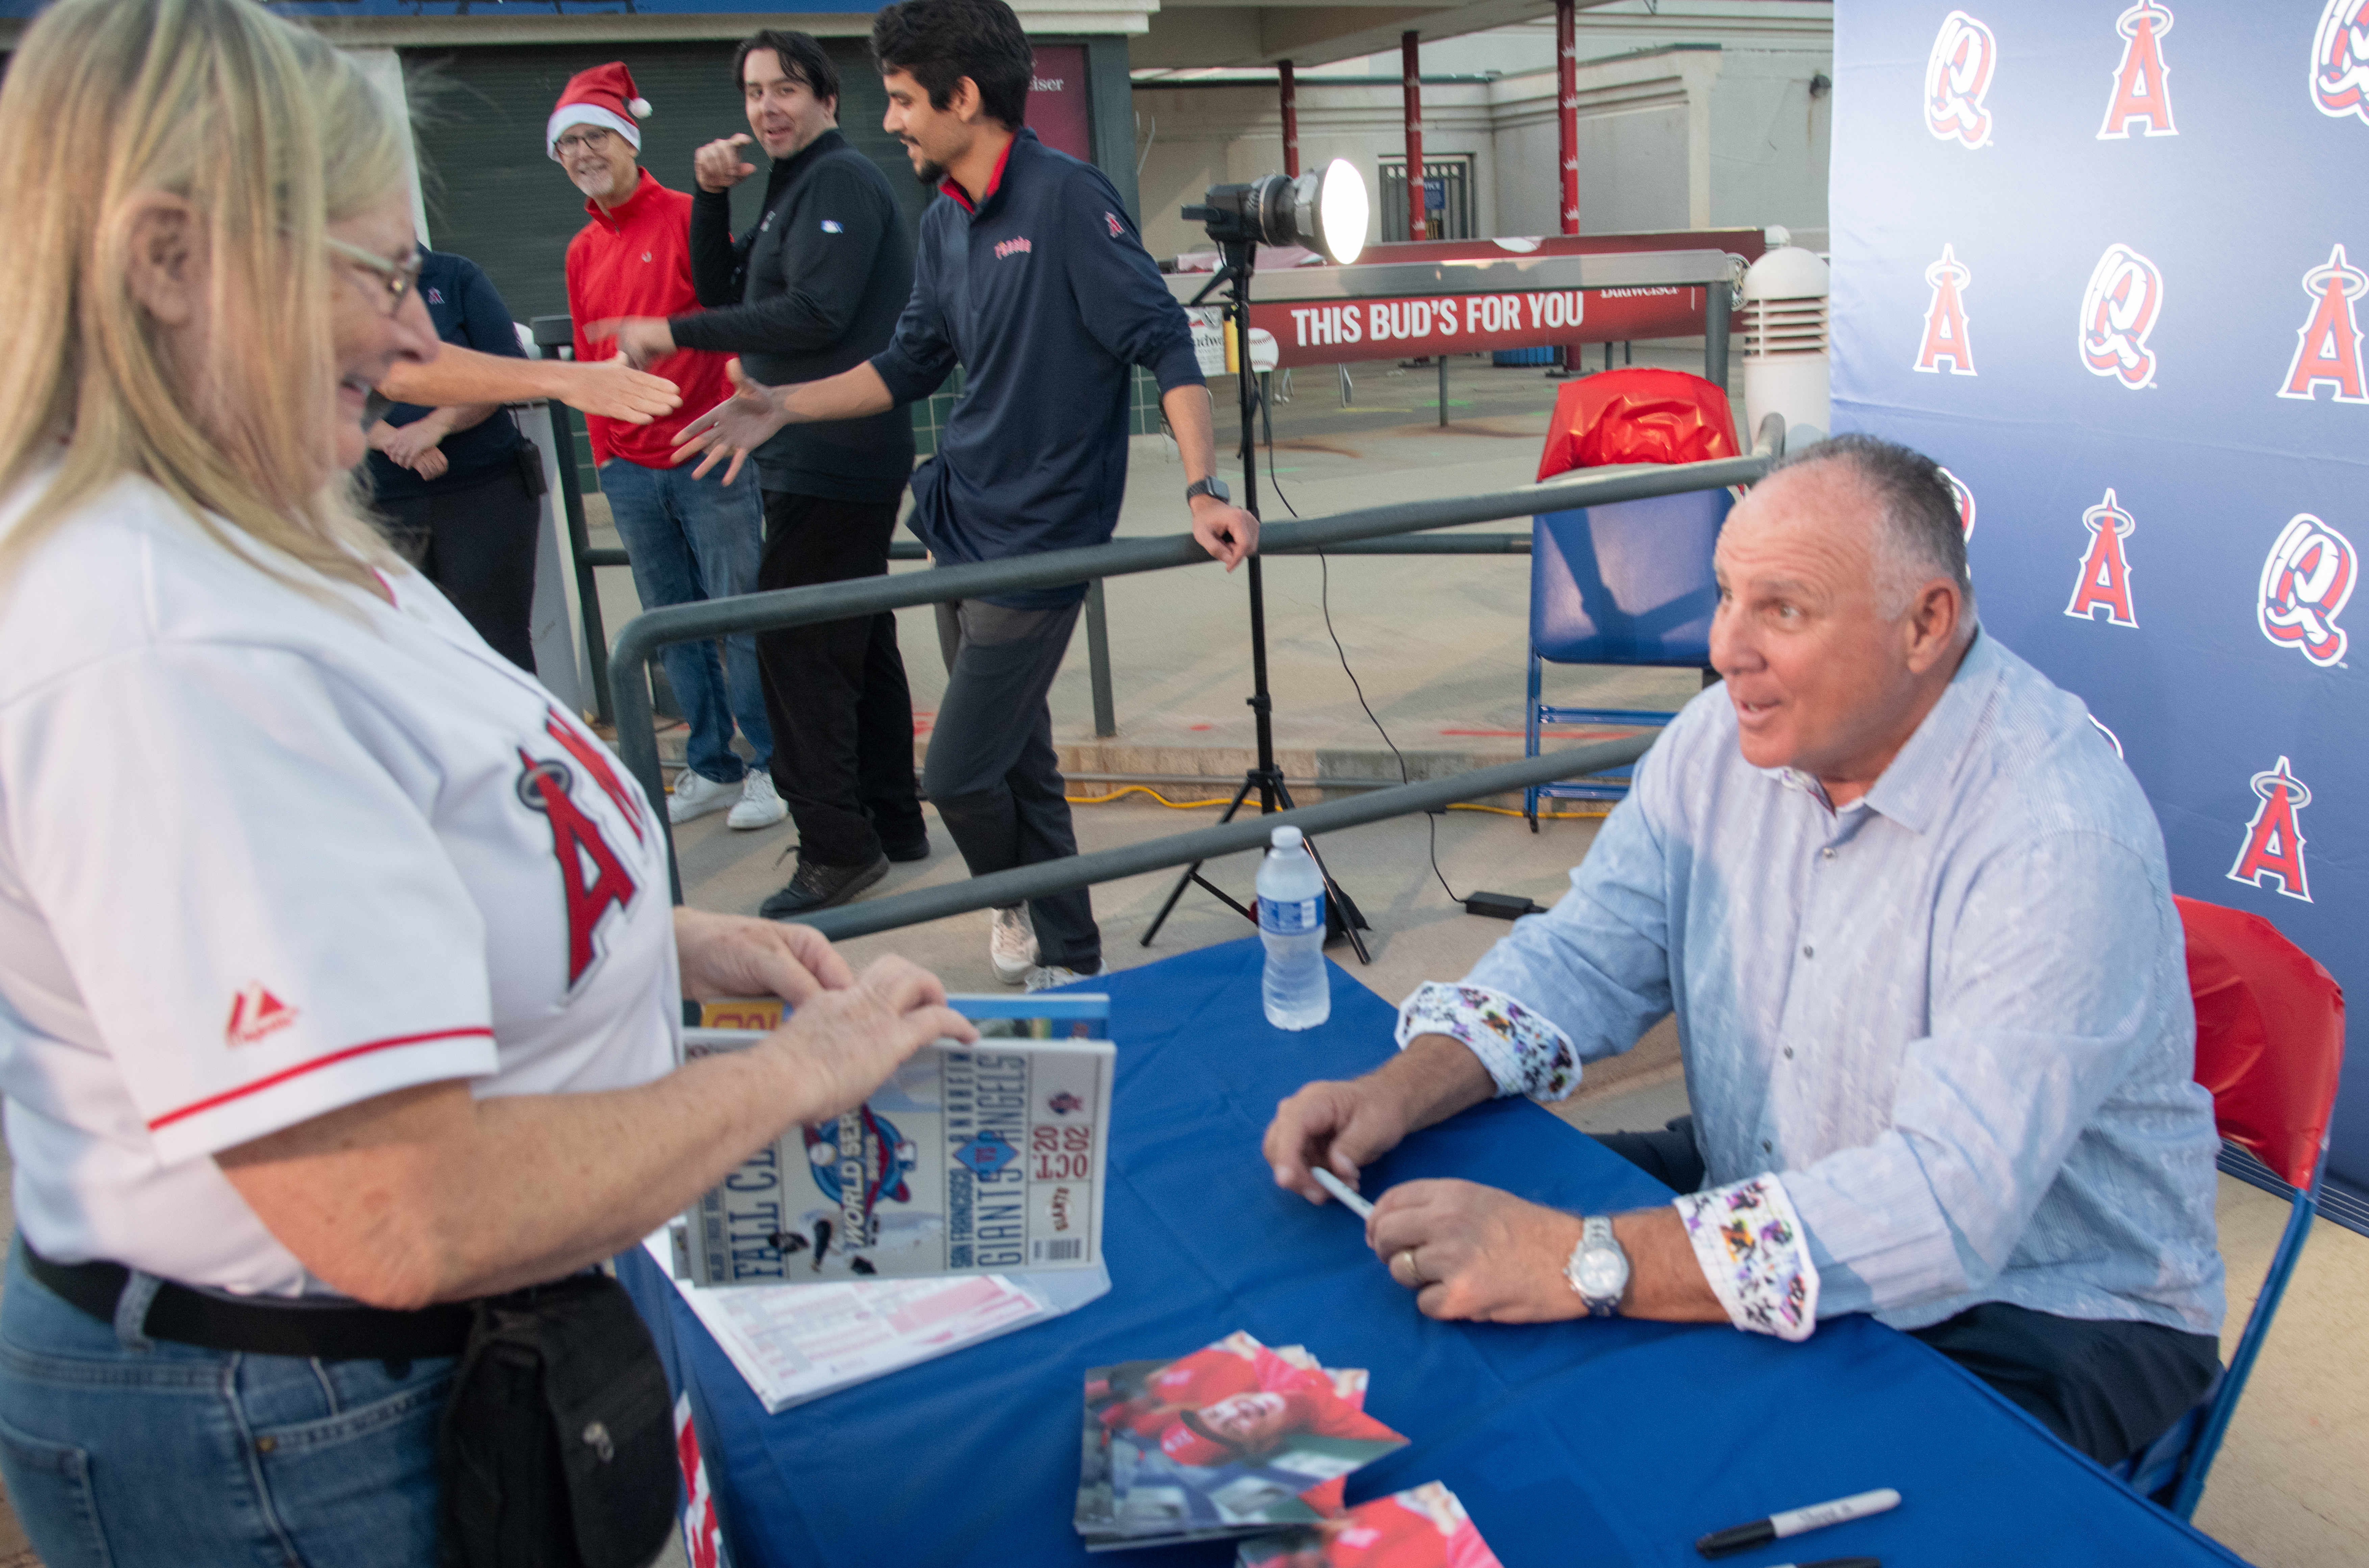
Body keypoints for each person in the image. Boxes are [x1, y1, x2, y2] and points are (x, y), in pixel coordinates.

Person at [0, 6, 974, 1564]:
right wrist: (792, 1075)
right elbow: (399, 1204)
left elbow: (415, 864)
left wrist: (662, 943)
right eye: (375, 277)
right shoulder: (159, 638)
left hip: (409, 1369)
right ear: (171, 259)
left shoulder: (243, 526)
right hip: (313, 1423)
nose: (407, 338)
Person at [1262, 434, 2227, 1470]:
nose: (1727, 647)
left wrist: (1581, 1258)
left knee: (1693, 1463)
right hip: (1774, 1166)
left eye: (1785, 609)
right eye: (1726, 594)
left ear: (1927, 622)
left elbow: (1943, 1208)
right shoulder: (1721, 737)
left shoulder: (2052, 835)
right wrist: (1403, 1086)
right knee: (1427, 1226)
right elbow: (1589, 955)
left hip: (2041, 1305)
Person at [675, 0, 1261, 989]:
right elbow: (905, 364)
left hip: (1042, 541)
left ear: (963, 98)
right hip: (960, 524)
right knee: (1018, 761)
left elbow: (1162, 338)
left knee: (955, 773)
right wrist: (779, 404)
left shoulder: (1068, 201)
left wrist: (1204, 487)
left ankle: (1017, 898)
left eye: (905, 100)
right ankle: (1073, 953)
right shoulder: (944, 221)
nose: (893, 119)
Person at [591, 30, 931, 917]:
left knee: (795, 648)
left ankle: (836, 849)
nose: (767, 106)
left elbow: (812, 313)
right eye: (753, 92)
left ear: (827, 98)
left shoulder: (843, 181)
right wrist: (708, 198)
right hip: (808, 450)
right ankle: (890, 821)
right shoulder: (794, 185)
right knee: (855, 639)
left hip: (837, 451)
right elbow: (725, 287)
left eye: (785, 88)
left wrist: (669, 335)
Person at [552, 61, 784, 831]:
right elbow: (589, 365)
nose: (583, 154)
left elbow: (730, 317)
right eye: (568, 145)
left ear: (628, 140)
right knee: (668, 623)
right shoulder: (582, 248)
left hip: (707, 456)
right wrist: (606, 458)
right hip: (629, 469)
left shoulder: (689, 214)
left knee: (739, 615)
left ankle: (768, 769)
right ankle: (712, 765)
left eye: (595, 137)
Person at [366, 245, 544, 670]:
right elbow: (305, 391)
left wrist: (436, 426)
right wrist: (392, 439)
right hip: (380, 505)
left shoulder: (456, 277)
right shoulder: (316, 290)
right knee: (403, 654)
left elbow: (507, 371)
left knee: (497, 646)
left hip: (483, 494)